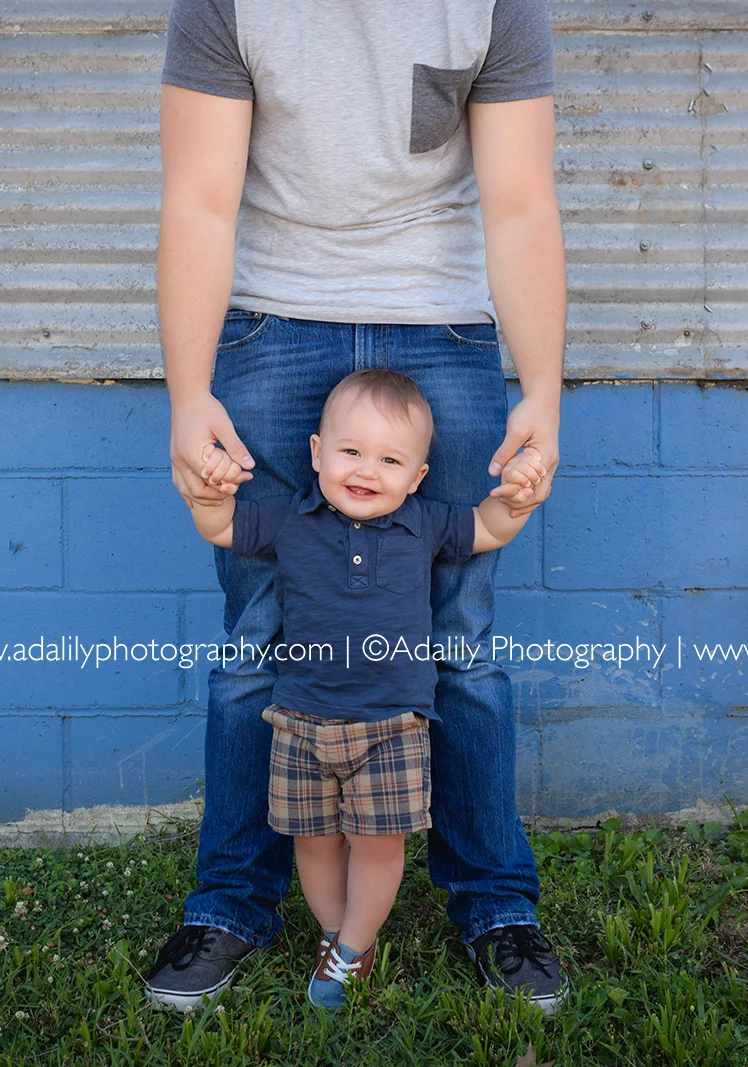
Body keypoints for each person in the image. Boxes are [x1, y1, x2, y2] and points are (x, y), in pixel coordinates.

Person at [146, 0, 568, 1012]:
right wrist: (188, 388)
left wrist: (543, 386)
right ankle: (232, 901)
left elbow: (519, 200)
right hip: (270, 330)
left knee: (458, 644)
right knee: (259, 643)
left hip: (446, 335)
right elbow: (199, 196)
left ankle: (494, 903)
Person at [186, 368, 547, 1009]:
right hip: (300, 722)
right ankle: (336, 935)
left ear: (418, 477)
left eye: (389, 459)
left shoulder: (426, 523)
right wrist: (210, 494)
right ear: (317, 453)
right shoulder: (288, 519)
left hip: (392, 727)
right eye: (350, 451)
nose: (366, 470)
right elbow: (223, 529)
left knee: (380, 847)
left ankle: (354, 947)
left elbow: (487, 529)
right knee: (315, 842)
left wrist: (515, 502)